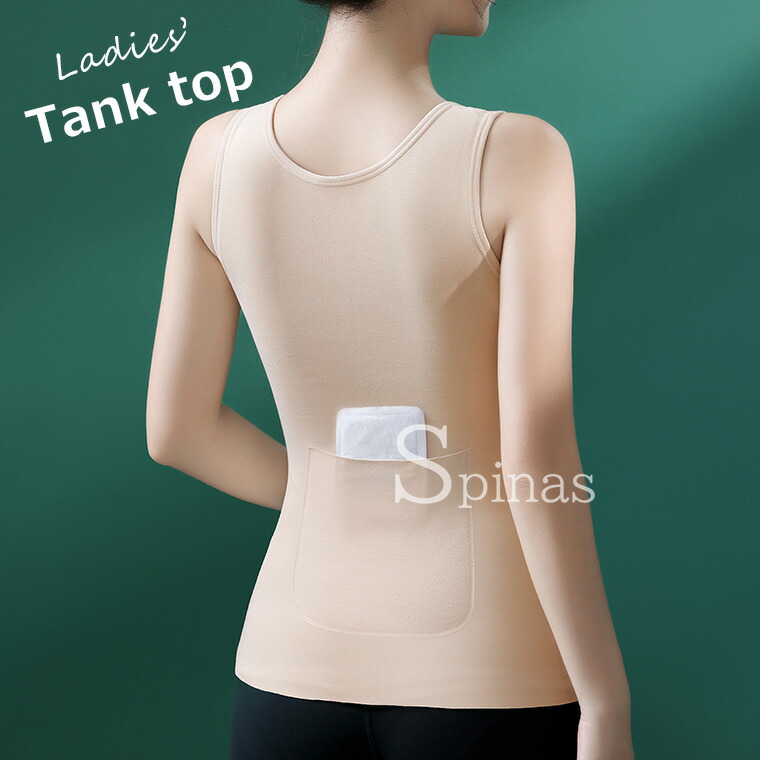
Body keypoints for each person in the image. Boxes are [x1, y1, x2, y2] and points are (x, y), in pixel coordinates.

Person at [146, 1, 635, 758]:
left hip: (287, 676)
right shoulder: (517, 154)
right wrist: (605, 702)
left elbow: (178, 432)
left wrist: (342, 489)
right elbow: (534, 451)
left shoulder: (217, 154)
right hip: (489, 677)